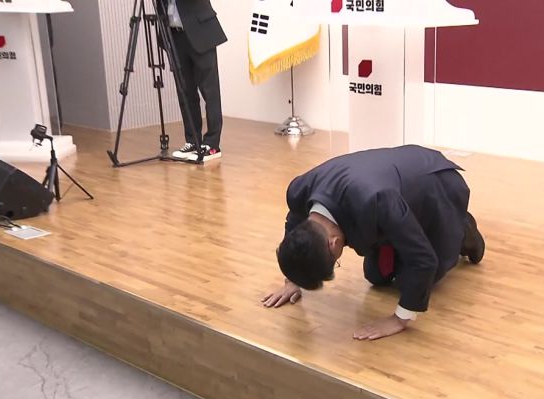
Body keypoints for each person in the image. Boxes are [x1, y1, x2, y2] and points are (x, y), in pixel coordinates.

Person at [262, 145, 485, 341]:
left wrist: (399, 319)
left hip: (436, 188)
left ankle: (463, 229)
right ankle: (403, 233)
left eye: (335, 261)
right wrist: (293, 278)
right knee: (376, 276)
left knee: (414, 279)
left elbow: (424, 259)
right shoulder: (299, 190)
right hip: (387, 204)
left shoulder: (377, 199)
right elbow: (294, 223)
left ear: (334, 244)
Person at [160, 0, 227, 162]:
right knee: (185, 91)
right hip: (174, 34)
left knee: (209, 90)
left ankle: (212, 144)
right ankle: (192, 140)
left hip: (200, 30)